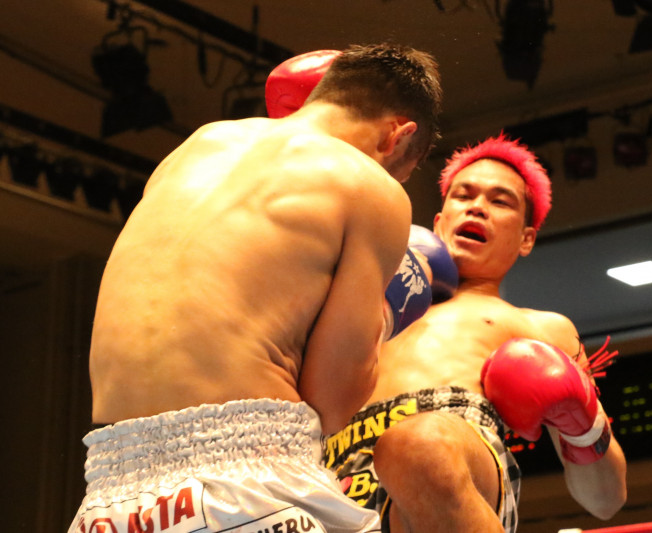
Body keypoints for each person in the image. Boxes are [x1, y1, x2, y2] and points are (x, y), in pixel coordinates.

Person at [68, 43, 442, 533]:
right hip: (250, 481)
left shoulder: (197, 145)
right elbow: (330, 402)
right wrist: (386, 316)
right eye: (402, 171)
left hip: (108, 496)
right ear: (398, 135)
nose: (394, 180)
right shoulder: (370, 185)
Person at [327, 135, 628, 533]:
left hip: (452, 454)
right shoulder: (374, 302)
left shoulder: (539, 327)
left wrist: (583, 424)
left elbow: (605, 500)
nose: (477, 207)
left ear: (526, 238)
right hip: (337, 470)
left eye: (500, 201)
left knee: (418, 445)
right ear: (439, 221)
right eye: (463, 195)